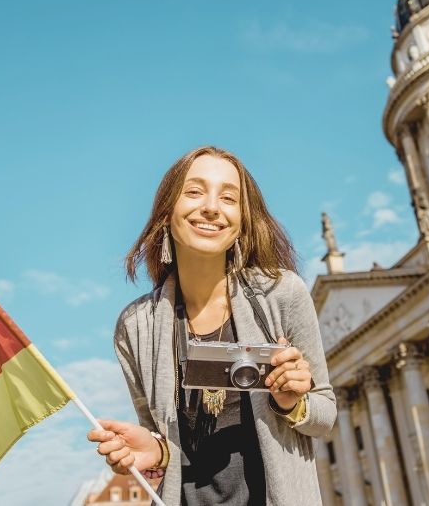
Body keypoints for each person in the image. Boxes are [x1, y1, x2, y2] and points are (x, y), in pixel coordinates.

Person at [87, 146, 336, 505]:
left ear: (241, 221)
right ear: (166, 212)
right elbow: (167, 443)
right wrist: (156, 452)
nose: (211, 207)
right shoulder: (134, 326)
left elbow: (324, 414)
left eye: (229, 197)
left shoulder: (282, 294)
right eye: (194, 191)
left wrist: (291, 401)